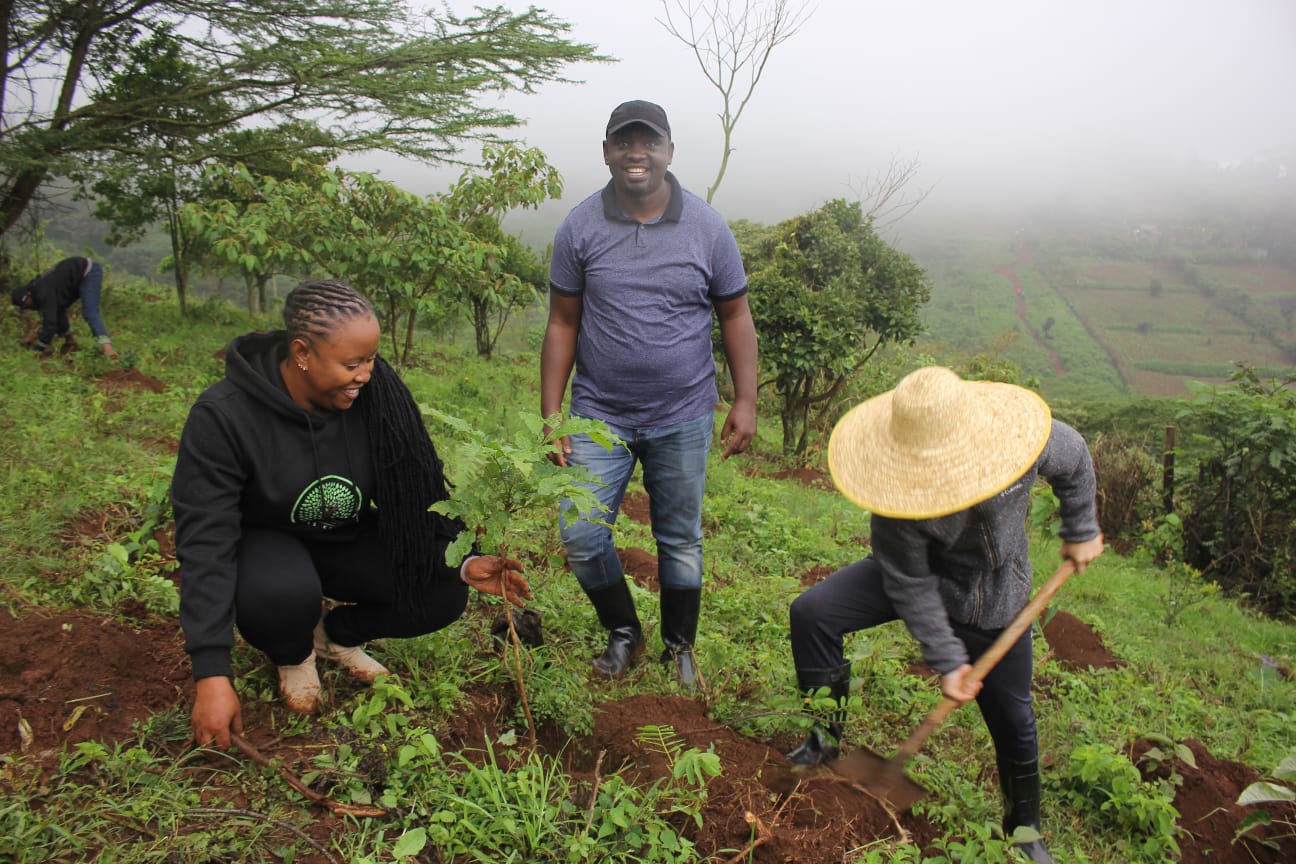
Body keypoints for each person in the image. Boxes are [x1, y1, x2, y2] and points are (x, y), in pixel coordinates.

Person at [172, 279, 531, 749]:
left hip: (344, 538)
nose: (366, 374)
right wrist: (211, 674)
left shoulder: (376, 397)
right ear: (302, 352)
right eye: (352, 363)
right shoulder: (224, 417)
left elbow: (418, 489)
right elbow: (206, 543)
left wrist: (463, 559)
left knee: (442, 589)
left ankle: (335, 635)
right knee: (282, 593)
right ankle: (294, 652)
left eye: (371, 360)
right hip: (267, 546)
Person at [786, 366, 1104, 863]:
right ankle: (822, 744)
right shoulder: (896, 495)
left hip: (994, 596)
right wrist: (948, 659)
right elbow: (909, 583)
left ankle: (1024, 829)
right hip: (918, 577)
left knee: (1013, 717)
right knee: (813, 612)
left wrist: (1082, 528)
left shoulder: (1021, 441)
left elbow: (1076, 458)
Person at [541, 100, 758, 689]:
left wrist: (746, 400)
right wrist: (552, 414)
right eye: (623, 143)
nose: (636, 153)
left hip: (683, 412)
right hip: (597, 415)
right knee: (582, 535)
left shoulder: (707, 228)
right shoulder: (580, 226)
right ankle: (623, 631)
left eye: (649, 142)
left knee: (680, 540)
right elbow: (562, 322)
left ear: (668, 151)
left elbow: (735, 313)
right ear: (607, 151)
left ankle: (680, 648)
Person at [10, 256, 117, 356]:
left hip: (88, 272)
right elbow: (55, 315)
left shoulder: (42, 293)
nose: (28, 307)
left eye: (26, 304)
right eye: (25, 307)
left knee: (90, 312)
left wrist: (39, 348)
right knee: (58, 309)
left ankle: (108, 350)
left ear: (28, 295)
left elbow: (50, 324)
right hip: (76, 278)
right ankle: (70, 342)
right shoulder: (38, 291)